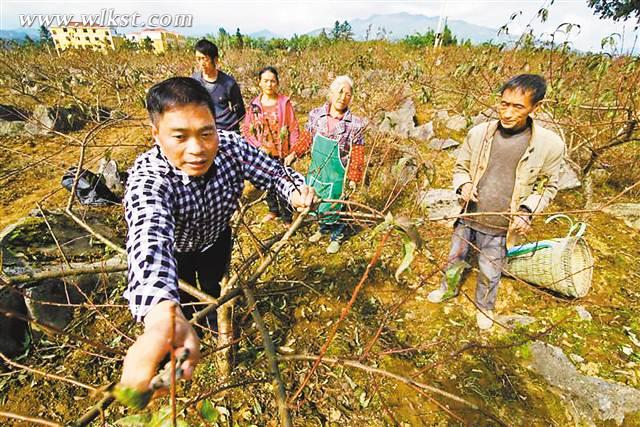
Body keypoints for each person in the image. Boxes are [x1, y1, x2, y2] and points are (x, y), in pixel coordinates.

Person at [118, 77, 315, 394]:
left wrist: (296, 191)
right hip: (176, 254)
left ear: (215, 125)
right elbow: (148, 235)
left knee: (213, 284)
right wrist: (160, 313)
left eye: (206, 133)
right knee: (181, 299)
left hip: (215, 240)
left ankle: (212, 322)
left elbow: (275, 172)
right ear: (156, 135)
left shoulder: (231, 147)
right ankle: (189, 321)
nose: (197, 149)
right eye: (179, 137)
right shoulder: (148, 176)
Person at [427, 74, 565, 330]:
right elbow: (461, 167)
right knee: (455, 258)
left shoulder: (550, 146)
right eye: (504, 104)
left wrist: (526, 211)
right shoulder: (479, 134)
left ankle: (485, 307)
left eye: (518, 107)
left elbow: (548, 186)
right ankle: (447, 290)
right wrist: (464, 185)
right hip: (469, 215)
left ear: (536, 108)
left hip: (502, 223)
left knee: (491, 270)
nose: (508, 113)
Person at [288, 75, 366, 254]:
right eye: (339, 92)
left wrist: (353, 178)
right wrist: (295, 153)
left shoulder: (355, 124)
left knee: (337, 206)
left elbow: (357, 153)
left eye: (348, 94)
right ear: (330, 94)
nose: (342, 97)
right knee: (316, 202)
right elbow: (306, 138)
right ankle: (322, 230)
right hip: (317, 170)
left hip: (338, 174)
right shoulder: (316, 115)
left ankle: (336, 236)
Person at [242, 66, 300, 226]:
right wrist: (257, 145)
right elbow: (247, 129)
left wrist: (293, 151)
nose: (269, 84)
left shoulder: (284, 103)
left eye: (273, 81)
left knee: (284, 183)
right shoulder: (254, 105)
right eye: (265, 81)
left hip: (282, 152)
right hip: (263, 153)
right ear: (259, 83)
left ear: (277, 83)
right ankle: (273, 210)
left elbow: (293, 127)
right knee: (267, 183)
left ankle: (287, 218)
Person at [192, 39, 245, 133]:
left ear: (215, 60)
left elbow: (240, 111)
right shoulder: (194, 81)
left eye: (205, 59)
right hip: (203, 130)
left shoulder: (229, 83)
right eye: (198, 59)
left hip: (228, 130)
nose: (201, 63)